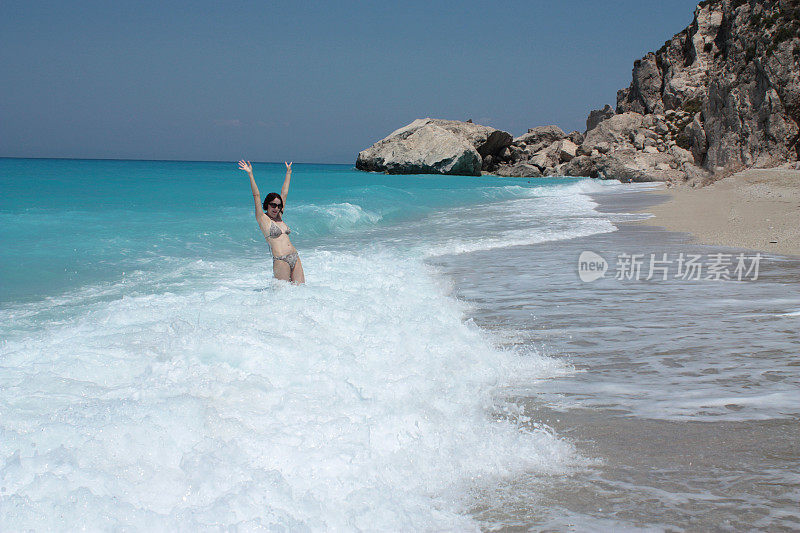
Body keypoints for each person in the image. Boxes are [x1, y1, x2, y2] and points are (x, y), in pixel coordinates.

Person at [238, 160, 305, 284]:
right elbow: (256, 195)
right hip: (281, 260)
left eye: (278, 206)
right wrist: (250, 174)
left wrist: (289, 173)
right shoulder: (263, 219)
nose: (276, 208)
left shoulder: (279, 215)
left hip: (294, 256)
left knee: (301, 292)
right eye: (273, 205)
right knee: (282, 296)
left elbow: (284, 193)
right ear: (267, 205)